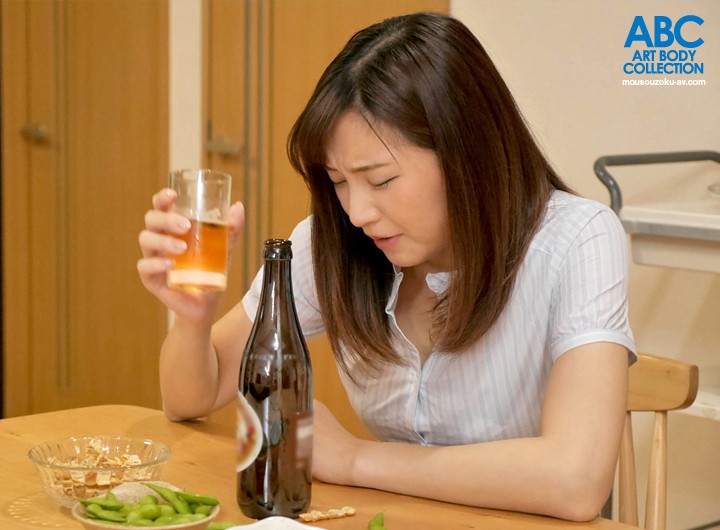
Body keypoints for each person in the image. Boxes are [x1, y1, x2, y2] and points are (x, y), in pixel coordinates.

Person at [138, 12, 635, 522]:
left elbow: (576, 481)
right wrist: (193, 321)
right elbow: (189, 400)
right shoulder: (331, 244)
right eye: (338, 181)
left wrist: (356, 459)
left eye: (380, 180)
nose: (357, 213)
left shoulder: (578, 239)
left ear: (467, 151)